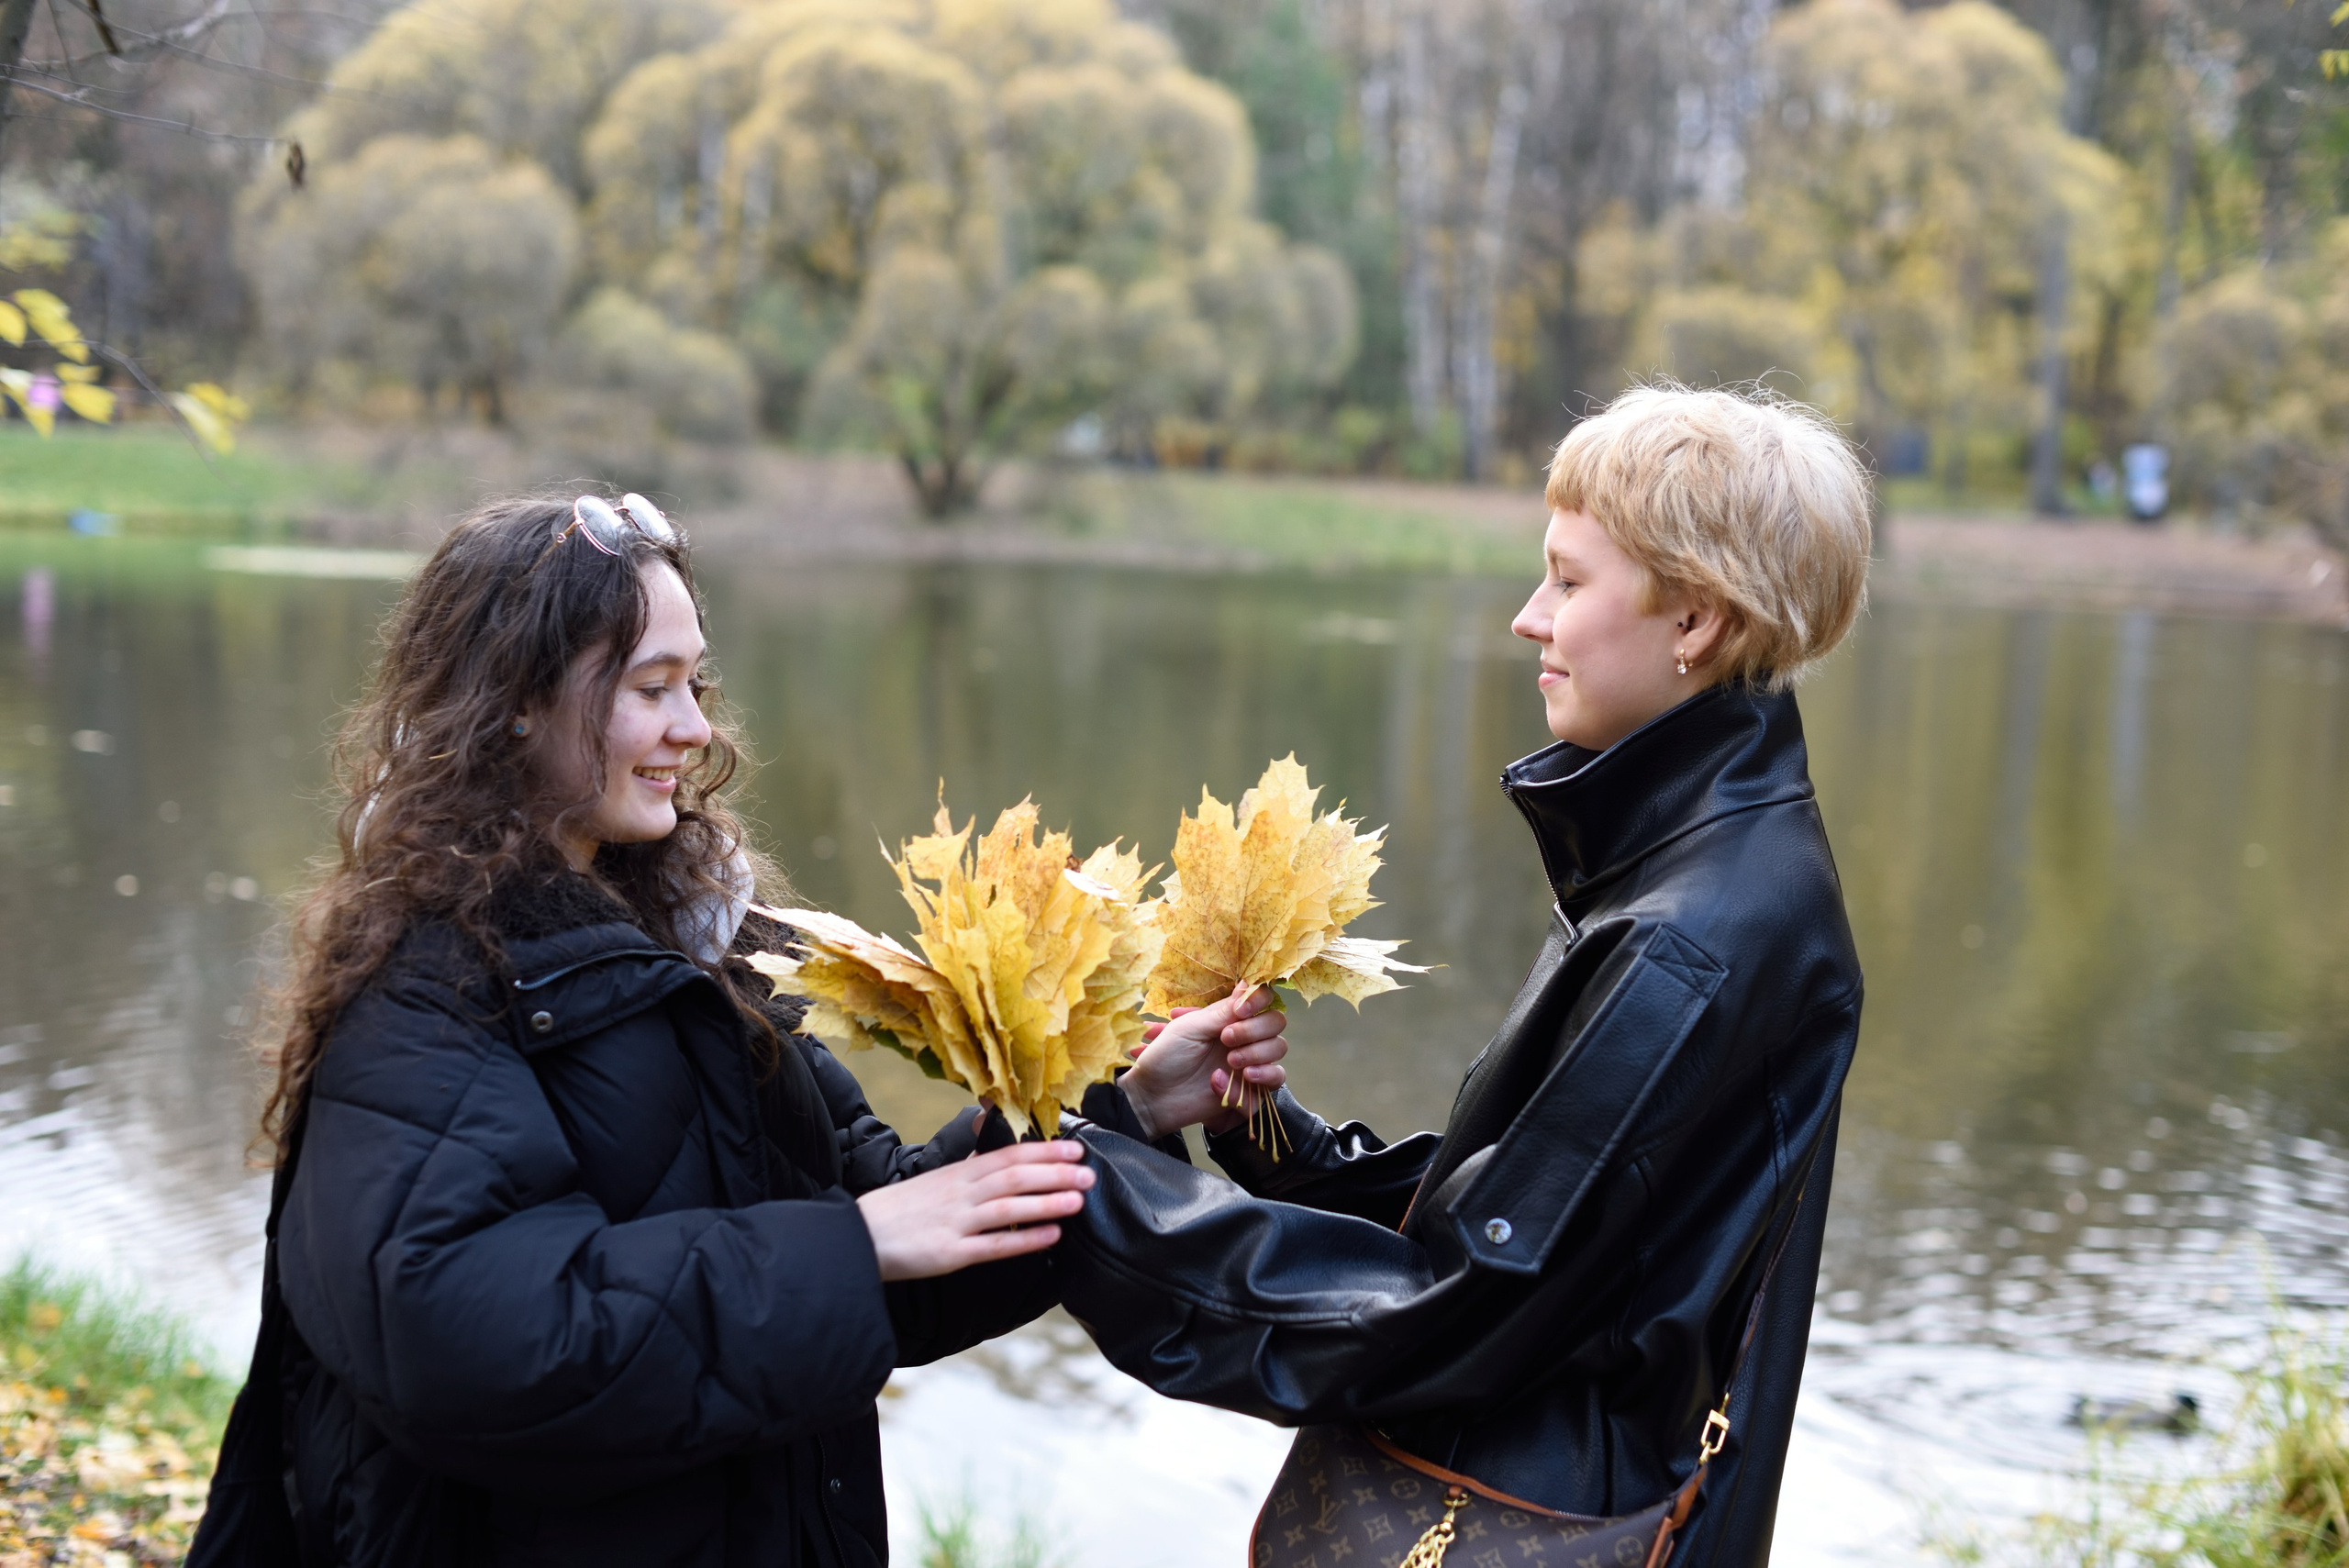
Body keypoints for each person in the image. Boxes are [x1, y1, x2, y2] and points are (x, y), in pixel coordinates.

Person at [188, 494, 1288, 1568]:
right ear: (517, 702)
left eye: (695, 682)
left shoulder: (692, 958)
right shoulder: (424, 983)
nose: (695, 726)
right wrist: (853, 1248)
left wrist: (1130, 1106)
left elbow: (888, 1227)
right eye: (650, 686)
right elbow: (468, 1341)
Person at [1054, 385, 1873, 1567]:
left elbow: (1462, 1301)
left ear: (1693, 619)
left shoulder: (1690, 933)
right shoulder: (1700, 860)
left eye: (1569, 579)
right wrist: (1261, 1135)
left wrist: (1089, 1190)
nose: (1527, 618)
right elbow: (1544, 1216)